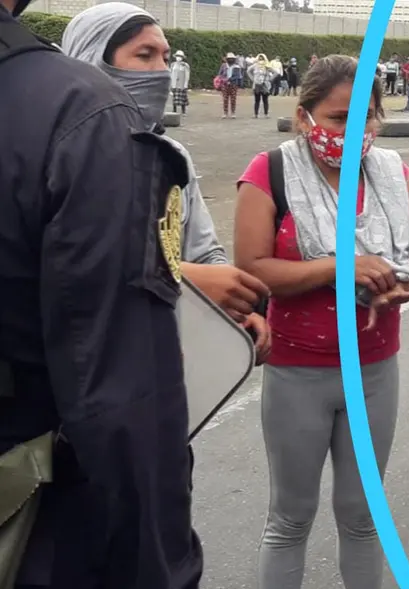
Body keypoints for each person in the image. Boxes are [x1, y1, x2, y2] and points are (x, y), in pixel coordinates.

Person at [0, 0, 201, 587]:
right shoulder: (80, 115)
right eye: (144, 55)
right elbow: (123, 401)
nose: (159, 71)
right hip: (35, 520)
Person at [232, 54, 409, 589]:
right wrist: (340, 266)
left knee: (362, 515)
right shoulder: (270, 171)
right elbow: (253, 270)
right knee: (290, 518)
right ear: (304, 117)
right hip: (297, 369)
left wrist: (402, 280)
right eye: (336, 117)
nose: (353, 131)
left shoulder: (392, 172)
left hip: (373, 370)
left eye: (365, 116)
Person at [61, 1, 272, 354]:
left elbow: (204, 251)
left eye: (164, 57)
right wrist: (182, 280)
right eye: (145, 56)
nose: (160, 71)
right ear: (90, 61)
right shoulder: (51, 158)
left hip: (164, 361)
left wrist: (233, 306)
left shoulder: (173, 157)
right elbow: (56, 273)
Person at [248, 53, 276, 118]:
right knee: (257, 100)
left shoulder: (267, 66)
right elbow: (248, 71)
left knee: (265, 100)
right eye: (259, 58)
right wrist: (252, 79)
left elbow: (275, 72)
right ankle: (256, 114)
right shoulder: (255, 66)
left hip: (265, 85)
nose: (261, 60)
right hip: (257, 84)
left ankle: (266, 114)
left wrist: (270, 79)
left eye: (262, 59)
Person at [219, 51, 243, 118]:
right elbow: (220, 74)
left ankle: (233, 113)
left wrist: (230, 79)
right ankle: (225, 113)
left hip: (233, 84)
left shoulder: (237, 66)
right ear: (227, 59)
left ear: (234, 59)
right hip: (225, 85)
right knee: (225, 99)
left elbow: (238, 76)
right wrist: (223, 79)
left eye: (232, 58)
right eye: (229, 58)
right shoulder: (223, 65)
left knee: (233, 99)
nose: (230, 59)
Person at [170, 49, 190, 114]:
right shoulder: (172, 64)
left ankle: (183, 111)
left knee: (183, 98)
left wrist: (185, 85)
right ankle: (174, 110)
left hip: (182, 84)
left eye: (180, 56)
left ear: (182, 58)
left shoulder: (185, 65)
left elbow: (187, 75)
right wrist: (170, 84)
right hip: (174, 84)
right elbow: (170, 74)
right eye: (177, 56)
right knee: (174, 98)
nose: (178, 58)